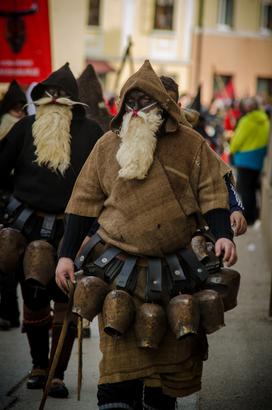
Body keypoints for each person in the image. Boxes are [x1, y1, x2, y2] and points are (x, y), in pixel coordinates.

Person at [56, 60, 237, 410]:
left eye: (146, 102)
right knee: (116, 381)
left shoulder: (191, 144)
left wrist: (222, 234)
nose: (137, 110)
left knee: (162, 385)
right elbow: (82, 202)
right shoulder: (108, 145)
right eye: (131, 102)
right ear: (122, 105)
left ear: (164, 105)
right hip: (117, 275)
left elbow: (213, 192)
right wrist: (65, 254)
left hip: (176, 276)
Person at [0, 63, 103, 396]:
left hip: (72, 227)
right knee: (33, 295)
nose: (55, 99)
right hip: (26, 224)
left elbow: (105, 184)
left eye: (62, 94)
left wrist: (94, 227)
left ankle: (57, 373)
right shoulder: (25, 127)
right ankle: (38, 365)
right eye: (49, 94)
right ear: (40, 98)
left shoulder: (90, 133)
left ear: (74, 101)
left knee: (65, 299)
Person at [159, 75, 247, 237]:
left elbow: (219, 177)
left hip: (185, 231)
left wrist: (235, 209)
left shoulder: (193, 140)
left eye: (168, 104)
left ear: (178, 106)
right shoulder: (128, 139)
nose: (163, 110)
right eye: (157, 103)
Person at [0, 80, 27, 330]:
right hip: (5, 200)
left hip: (18, 203)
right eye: (14, 108)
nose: (18, 112)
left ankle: (10, 313)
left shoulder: (24, 130)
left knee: (13, 265)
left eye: (22, 108)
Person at [230, 97, 270, 225]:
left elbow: (237, 140)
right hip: (258, 159)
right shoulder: (265, 119)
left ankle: (248, 217)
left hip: (244, 159)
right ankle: (254, 215)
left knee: (245, 190)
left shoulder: (246, 120)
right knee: (252, 189)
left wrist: (232, 149)